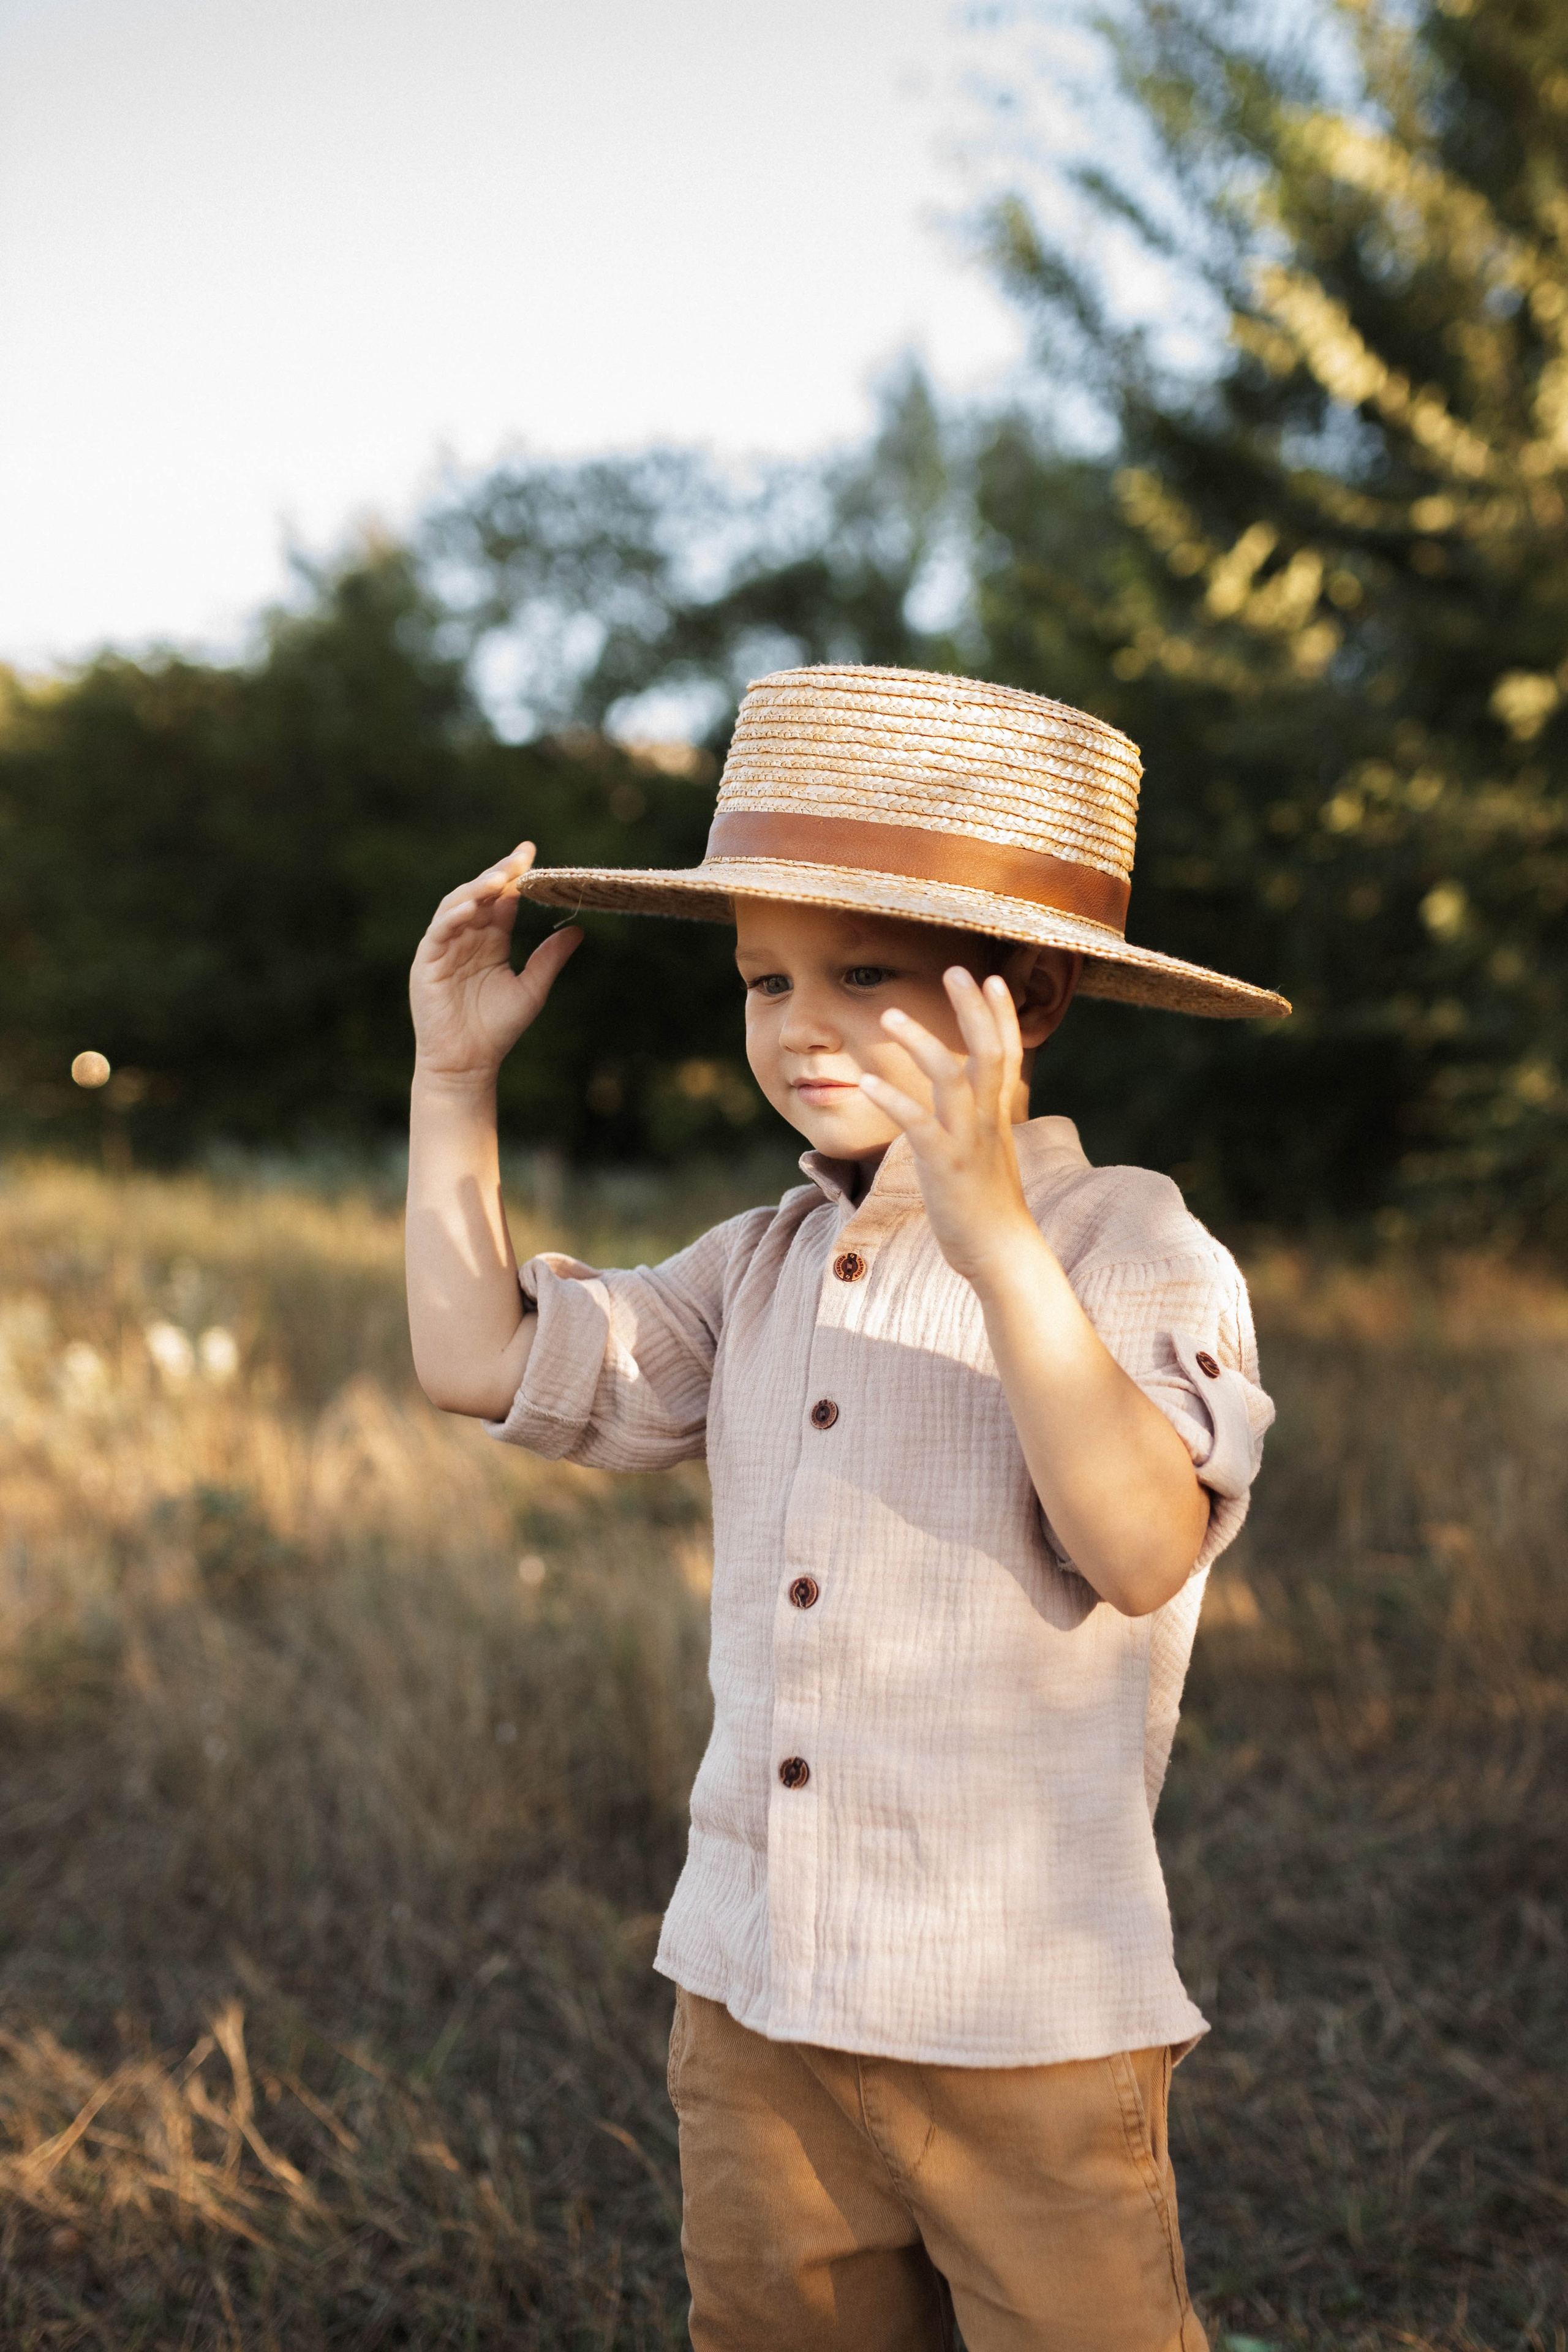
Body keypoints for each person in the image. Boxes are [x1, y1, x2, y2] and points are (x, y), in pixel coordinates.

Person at [404, 665, 1284, 2352]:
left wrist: (991, 1235)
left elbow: (1145, 1545)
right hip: (758, 1997)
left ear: (1023, 1000)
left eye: (862, 973)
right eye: (763, 980)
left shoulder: (1135, 1245)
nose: (798, 1023)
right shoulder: (762, 1261)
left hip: (1020, 2017)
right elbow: (479, 1358)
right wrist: (455, 1084)